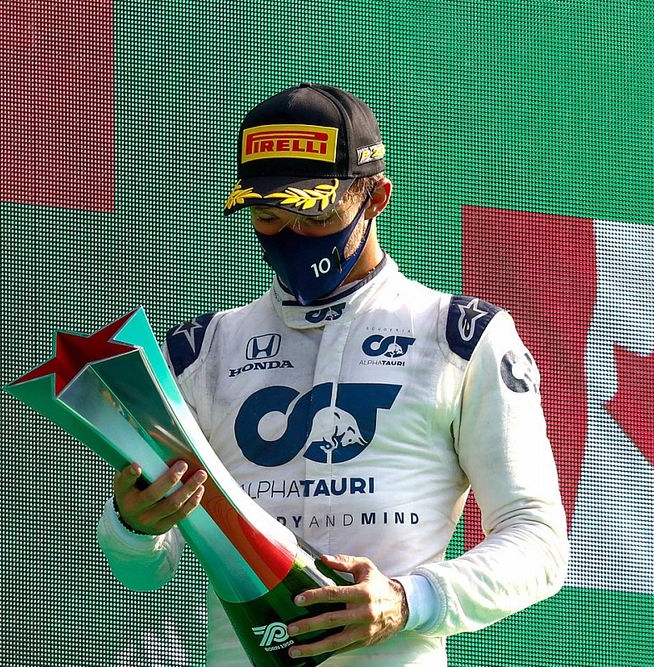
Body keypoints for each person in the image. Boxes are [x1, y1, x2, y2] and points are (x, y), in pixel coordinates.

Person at [96, 83, 568, 666]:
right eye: (268, 216)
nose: (291, 235)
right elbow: (142, 572)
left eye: (314, 212)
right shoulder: (201, 352)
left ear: (376, 198)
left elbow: (539, 542)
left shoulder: (459, 336)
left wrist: (407, 600)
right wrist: (134, 526)